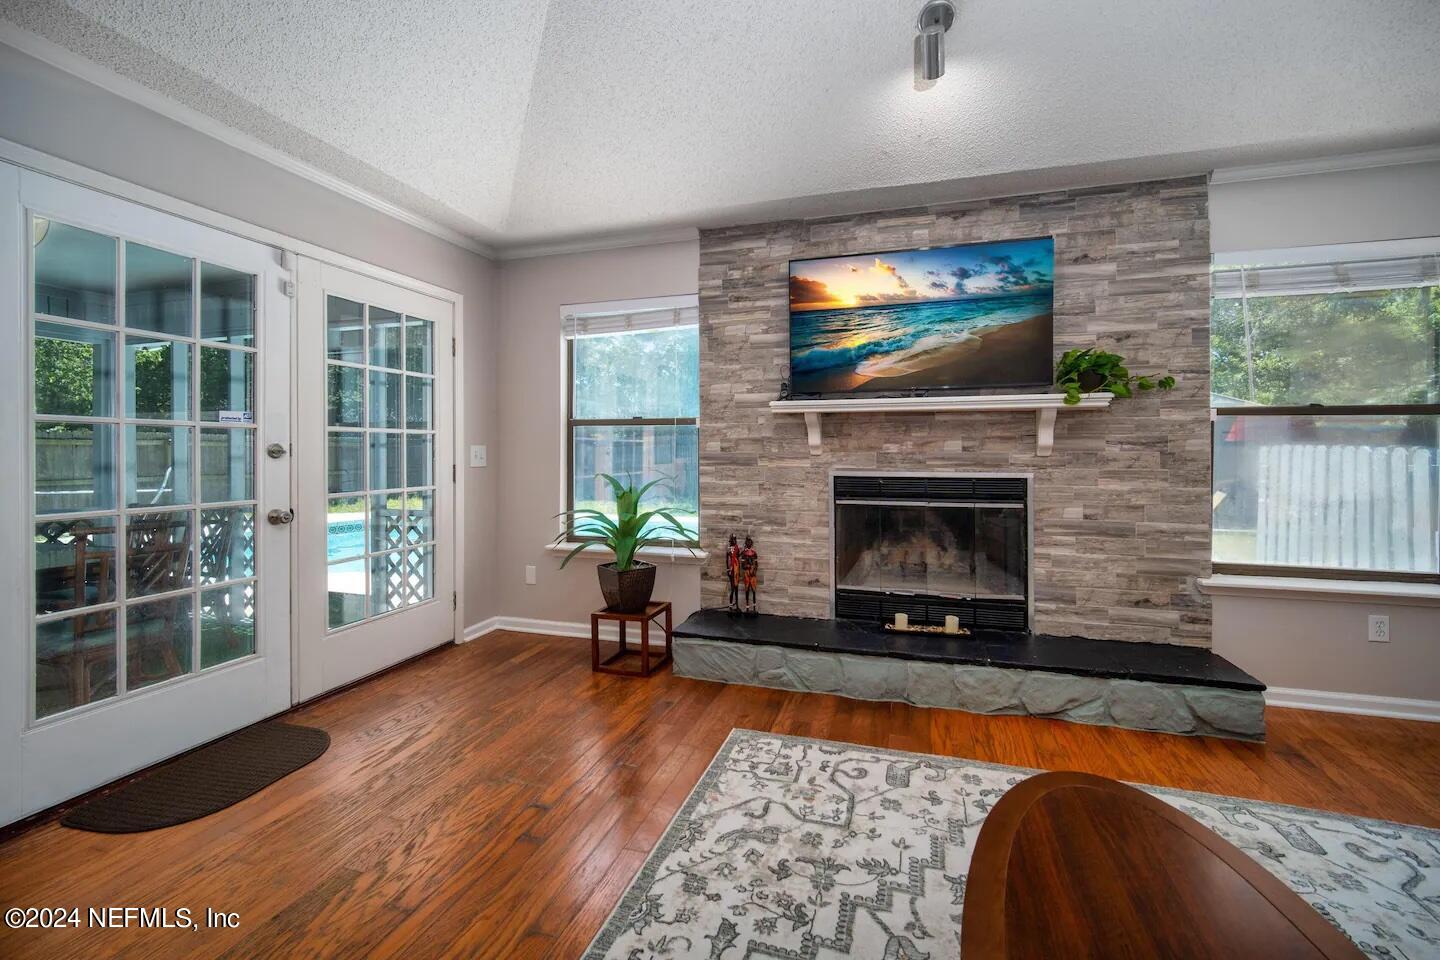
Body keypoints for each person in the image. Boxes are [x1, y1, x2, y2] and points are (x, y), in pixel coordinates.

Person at [739, 536, 759, 615]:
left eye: (750, 542)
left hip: (753, 574)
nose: (749, 544)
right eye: (747, 542)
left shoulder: (754, 553)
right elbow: (742, 565)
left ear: (752, 543)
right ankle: (747, 607)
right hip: (747, 573)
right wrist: (748, 567)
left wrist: (754, 570)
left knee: (753, 590)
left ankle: (754, 607)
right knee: (747, 590)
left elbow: (756, 564)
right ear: (746, 543)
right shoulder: (744, 553)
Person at [725, 534, 741, 612]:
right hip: (732, 571)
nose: (734, 541)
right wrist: (728, 570)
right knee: (733, 589)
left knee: (737, 588)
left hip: (737, 570)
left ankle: (737, 605)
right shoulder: (729, 550)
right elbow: (727, 561)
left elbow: (738, 557)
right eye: (733, 540)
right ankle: (730, 606)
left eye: (735, 539)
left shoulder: (737, 549)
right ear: (731, 541)